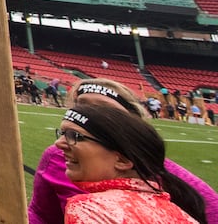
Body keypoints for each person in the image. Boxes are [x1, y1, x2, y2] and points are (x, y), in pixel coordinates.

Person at [29, 79, 218, 224]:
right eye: (81, 105)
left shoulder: (88, 207)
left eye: (104, 109)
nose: (89, 113)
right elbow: (41, 213)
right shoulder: (55, 156)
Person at [54, 103, 206, 223]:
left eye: (74, 136)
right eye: (62, 134)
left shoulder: (90, 209)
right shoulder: (181, 213)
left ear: (122, 160)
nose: (59, 144)